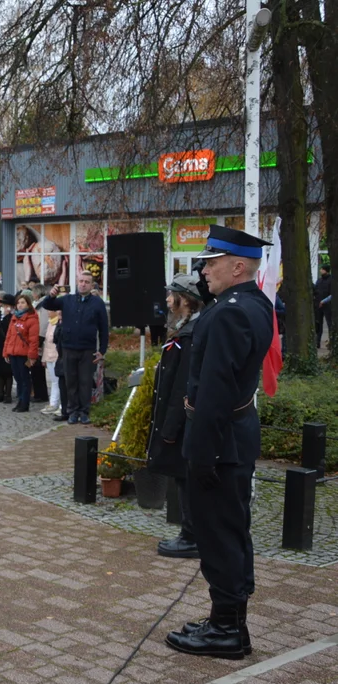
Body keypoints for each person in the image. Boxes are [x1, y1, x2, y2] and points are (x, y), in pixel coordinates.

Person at [165, 226, 273, 661]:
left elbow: (214, 390)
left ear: (237, 266)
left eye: (211, 262)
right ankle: (227, 621)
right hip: (233, 434)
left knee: (218, 534)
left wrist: (202, 454)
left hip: (219, 440)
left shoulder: (229, 311)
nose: (203, 270)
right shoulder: (252, 302)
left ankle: (227, 630)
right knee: (230, 530)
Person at [146, 274, 205, 560]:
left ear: (186, 300)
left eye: (172, 295)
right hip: (179, 421)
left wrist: (170, 427)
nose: (168, 300)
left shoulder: (191, 334)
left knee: (187, 479)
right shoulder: (186, 329)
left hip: (183, 423)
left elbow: (184, 386)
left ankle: (191, 537)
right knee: (183, 479)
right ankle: (190, 533)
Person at [38, 271, 108, 424]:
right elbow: (47, 305)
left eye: (87, 282)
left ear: (91, 285)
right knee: (71, 382)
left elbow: (104, 328)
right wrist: (52, 295)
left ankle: (84, 412)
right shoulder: (67, 300)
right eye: (81, 281)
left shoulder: (97, 303)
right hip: (68, 347)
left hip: (87, 349)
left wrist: (102, 350)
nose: (83, 284)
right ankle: (73, 411)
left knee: (85, 382)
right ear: (77, 282)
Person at [3, 294, 40, 412]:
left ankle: (25, 403)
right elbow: (8, 336)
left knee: (25, 379)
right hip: (13, 352)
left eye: (23, 302)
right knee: (18, 378)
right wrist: (6, 352)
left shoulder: (32, 319)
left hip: (24, 354)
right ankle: (20, 400)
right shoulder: (14, 318)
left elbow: (34, 340)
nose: (20, 305)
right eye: (18, 303)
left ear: (28, 304)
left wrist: (32, 356)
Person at [315, 265, 331, 349]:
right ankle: (317, 342)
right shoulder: (319, 280)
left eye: (322, 269)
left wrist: (324, 301)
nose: (320, 270)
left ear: (326, 270)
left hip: (328, 305)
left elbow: (332, 294)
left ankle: (331, 342)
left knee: (330, 324)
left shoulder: (331, 280)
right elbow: (315, 290)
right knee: (318, 324)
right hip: (318, 305)